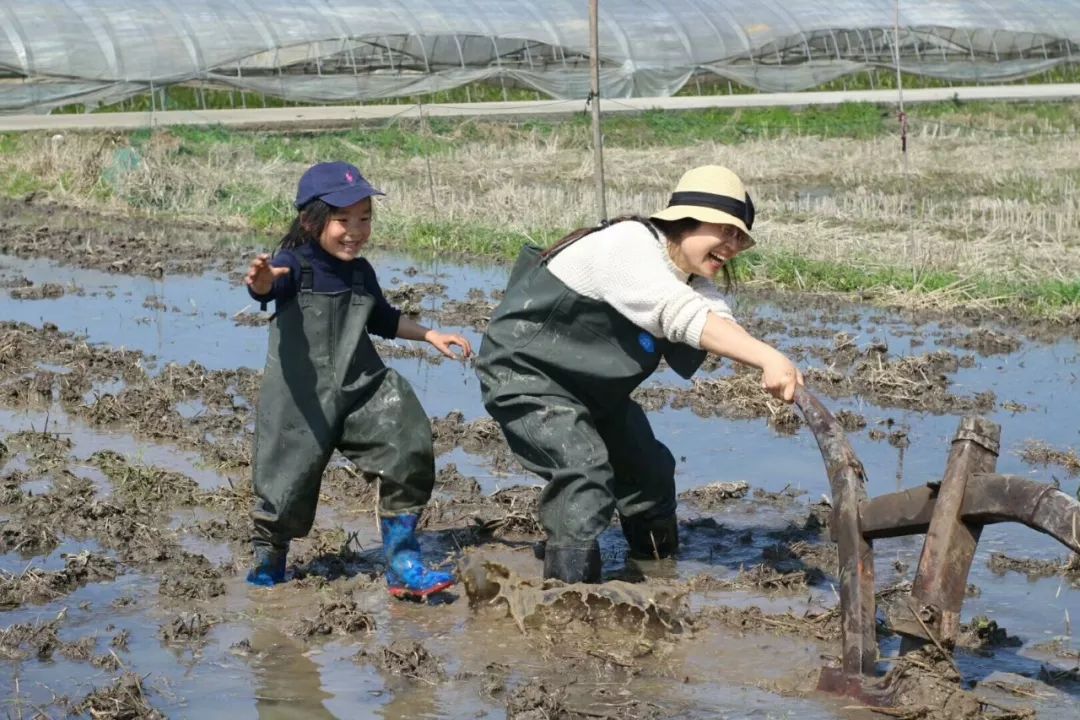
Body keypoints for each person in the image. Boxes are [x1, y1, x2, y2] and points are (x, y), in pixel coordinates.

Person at [474, 165, 803, 583]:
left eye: (740, 237)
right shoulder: (628, 244)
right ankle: (567, 603)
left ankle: (659, 573)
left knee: (649, 476)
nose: (733, 246)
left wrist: (770, 359)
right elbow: (677, 311)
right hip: (527, 373)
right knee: (583, 472)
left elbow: (714, 318)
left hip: (594, 392)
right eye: (725, 230)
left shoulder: (690, 278)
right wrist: (766, 356)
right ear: (685, 220)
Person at [244, 161, 472, 598]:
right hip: (301, 397)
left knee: (406, 442)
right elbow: (270, 288)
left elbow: (382, 319)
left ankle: (403, 561)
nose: (355, 230)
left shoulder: (361, 272)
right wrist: (262, 283)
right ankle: (269, 562)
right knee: (284, 484)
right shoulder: (295, 264)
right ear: (312, 221)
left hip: (359, 386)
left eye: (364, 218)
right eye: (342, 220)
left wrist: (430, 335)